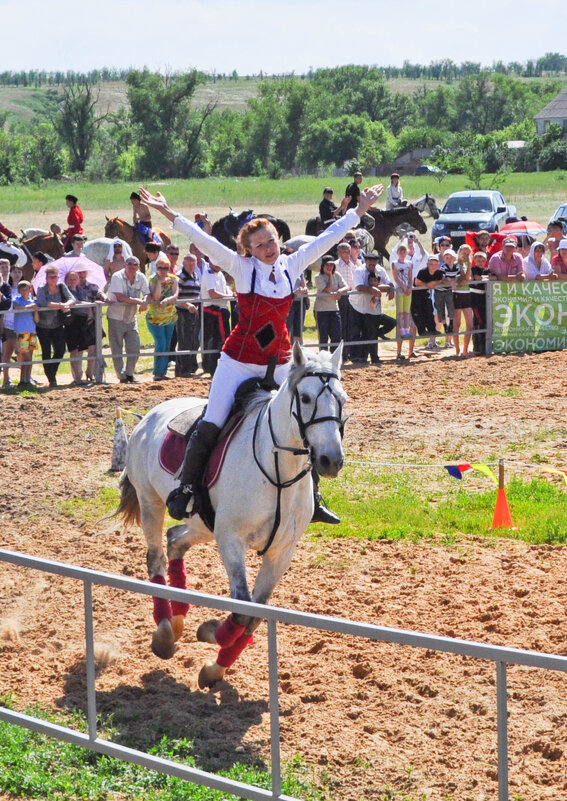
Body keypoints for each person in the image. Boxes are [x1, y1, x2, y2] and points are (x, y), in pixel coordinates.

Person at [138, 181, 384, 523]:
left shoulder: (292, 264)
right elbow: (203, 241)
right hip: (239, 362)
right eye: (260, 245)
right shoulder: (241, 269)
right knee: (212, 422)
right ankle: (186, 488)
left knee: (304, 419)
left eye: (271, 241)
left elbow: (326, 238)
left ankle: (312, 495)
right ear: (248, 249)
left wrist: (359, 211)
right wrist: (167, 212)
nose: (269, 248)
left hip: (281, 362)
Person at [106, 256, 150, 383]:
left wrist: (145, 302)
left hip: (131, 317)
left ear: (138, 266)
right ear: (125, 265)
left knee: (134, 347)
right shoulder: (117, 276)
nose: (132, 266)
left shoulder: (141, 277)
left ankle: (130, 373)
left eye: (135, 264)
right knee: (117, 348)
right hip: (116, 317)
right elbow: (119, 297)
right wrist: (137, 301)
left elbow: (147, 293)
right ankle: (122, 376)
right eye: (129, 264)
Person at [348, 250, 395, 364]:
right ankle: (355, 356)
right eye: (370, 261)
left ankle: (366, 356)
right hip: (357, 305)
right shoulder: (359, 271)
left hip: (372, 308)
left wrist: (391, 288)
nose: (372, 264)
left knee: (369, 333)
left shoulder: (380, 270)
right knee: (355, 332)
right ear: (365, 261)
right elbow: (359, 286)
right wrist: (372, 289)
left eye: (374, 262)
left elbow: (389, 283)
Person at [35, 265, 75, 387]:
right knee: (46, 352)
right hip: (43, 326)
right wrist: (60, 305)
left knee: (60, 350)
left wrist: (66, 305)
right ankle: (51, 378)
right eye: (51, 277)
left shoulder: (61, 286)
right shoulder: (42, 288)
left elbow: (71, 299)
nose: (54, 279)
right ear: (46, 278)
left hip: (57, 324)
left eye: (56, 277)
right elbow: (43, 302)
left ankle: (52, 371)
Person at [65, 269, 107, 384]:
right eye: (71, 278)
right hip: (73, 322)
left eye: (83, 272)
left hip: (89, 320)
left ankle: (90, 373)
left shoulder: (89, 287)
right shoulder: (65, 290)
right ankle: (77, 376)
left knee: (92, 348)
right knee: (76, 350)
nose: (81, 275)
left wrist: (103, 298)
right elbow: (76, 302)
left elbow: (99, 293)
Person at [145, 256, 179, 381]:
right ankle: (157, 372)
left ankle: (162, 372)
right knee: (161, 342)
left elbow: (175, 294)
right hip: (155, 318)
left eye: (165, 268)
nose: (163, 270)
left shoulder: (174, 279)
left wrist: (167, 300)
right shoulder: (153, 279)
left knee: (167, 343)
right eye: (160, 268)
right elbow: (155, 297)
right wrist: (160, 283)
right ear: (156, 268)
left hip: (170, 317)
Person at [201, 260, 233, 376]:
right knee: (219, 337)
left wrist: (230, 293)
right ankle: (213, 364)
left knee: (216, 337)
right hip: (211, 309)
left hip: (221, 307)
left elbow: (226, 289)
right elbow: (213, 294)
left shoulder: (220, 274)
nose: (219, 266)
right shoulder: (208, 274)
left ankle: (220, 361)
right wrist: (229, 296)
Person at [411, 253, 445, 352]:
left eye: (435, 264)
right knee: (418, 313)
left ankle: (432, 330)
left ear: (438, 265)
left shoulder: (439, 273)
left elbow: (441, 280)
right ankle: (422, 331)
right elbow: (417, 282)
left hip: (426, 294)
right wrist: (427, 284)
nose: (433, 266)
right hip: (417, 294)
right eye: (431, 264)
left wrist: (434, 284)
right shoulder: (422, 272)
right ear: (427, 264)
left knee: (429, 311)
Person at [314, 255, 348, 352]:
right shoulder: (318, 277)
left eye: (332, 265)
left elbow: (346, 286)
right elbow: (328, 290)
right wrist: (329, 276)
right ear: (323, 266)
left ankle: (334, 357)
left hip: (334, 309)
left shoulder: (337, 275)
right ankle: (323, 358)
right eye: (327, 265)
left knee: (336, 335)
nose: (330, 267)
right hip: (322, 310)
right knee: (323, 337)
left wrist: (339, 291)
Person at [175, 253, 201, 376]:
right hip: (183, 312)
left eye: (193, 263)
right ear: (184, 264)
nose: (191, 266)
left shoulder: (195, 275)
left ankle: (191, 367)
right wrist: (187, 305)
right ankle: (182, 370)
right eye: (189, 263)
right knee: (184, 341)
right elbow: (176, 297)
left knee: (195, 341)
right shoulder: (180, 277)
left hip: (194, 311)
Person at [391, 243, 415, 360]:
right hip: (400, 289)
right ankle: (401, 330)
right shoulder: (395, 263)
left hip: (407, 289)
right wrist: (402, 286)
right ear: (398, 253)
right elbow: (395, 277)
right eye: (400, 252)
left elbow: (410, 276)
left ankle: (406, 329)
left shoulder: (409, 263)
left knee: (407, 312)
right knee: (400, 312)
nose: (402, 253)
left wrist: (409, 287)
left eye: (404, 252)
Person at [12, 280, 38, 388]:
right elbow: (17, 308)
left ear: (30, 289)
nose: (24, 290)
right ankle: (22, 379)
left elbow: (36, 319)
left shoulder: (34, 302)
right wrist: (29, 307)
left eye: (26, 288)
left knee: (30, 357)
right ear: (19, 290)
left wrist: (35, 310)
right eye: (22, 288)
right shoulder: (17, 300)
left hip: (31, 330)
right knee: (25, 356)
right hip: (22, 331)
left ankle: (28, 378)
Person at [1, 264, 23, 388]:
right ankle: (6, 379)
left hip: (22, 324)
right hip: (9, 323)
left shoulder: (25, 287)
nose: (17, 274)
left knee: (22, 352)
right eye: (15, 271)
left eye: (19, 272)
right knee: (7, 353)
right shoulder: (7, 288)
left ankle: (24, 378)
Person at [452, 245, 474, 357]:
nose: (466, 256)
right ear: (459, 252)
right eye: (464, 253)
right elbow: (463, 279)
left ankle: (465, 350)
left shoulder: (467, 265)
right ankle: (457, 350)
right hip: (457, 294)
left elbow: (467, 278)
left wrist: (469, 263)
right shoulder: (456, 265)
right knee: (457, 323)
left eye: (468, 254)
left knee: (470, 324)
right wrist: (466, 279)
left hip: (466, 294)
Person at [470, 250, 490, 355]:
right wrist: (484, 278)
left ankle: (484, 345)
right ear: (475, 260)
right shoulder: (473, 269)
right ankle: (477, 346)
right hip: (475, 298)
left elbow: (493, 277)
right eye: (479, 260)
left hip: (484, 297)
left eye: (483, 260)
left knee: (485, 321)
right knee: (478, 321)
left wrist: (484, 278)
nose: (481, 262)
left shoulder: (487, 270)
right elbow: (476, 277)